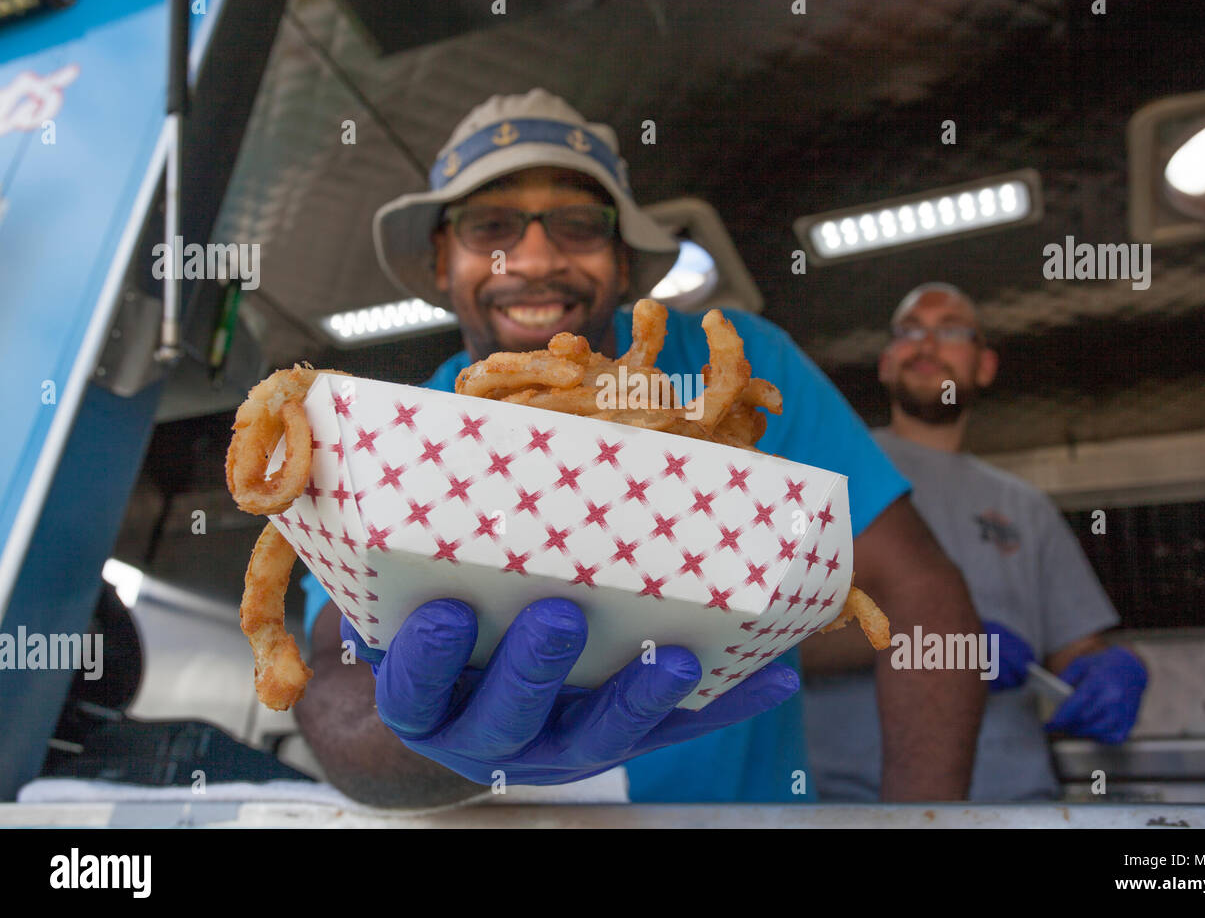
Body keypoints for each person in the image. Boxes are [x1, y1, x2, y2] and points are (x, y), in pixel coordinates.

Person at [293, 90, 986, 807]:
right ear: (443, 259)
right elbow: (331, 680)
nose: (534, 258)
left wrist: (919, 826)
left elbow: (918, 593)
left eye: (579, 225)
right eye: (491, 225)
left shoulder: (739, 367)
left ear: (623, 261)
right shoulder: (392, 430)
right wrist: (433, 739)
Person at [802, 282, 1148, 802]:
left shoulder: (1026, 506)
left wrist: (1110, 668)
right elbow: (773, 638)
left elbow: (1074, 648)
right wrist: (944, 641)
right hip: (856, 805)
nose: (927, 344)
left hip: (1019, 802)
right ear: (886, 362)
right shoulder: (826, 473)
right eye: (910, 331)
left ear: (985, 365)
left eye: (951, 331)